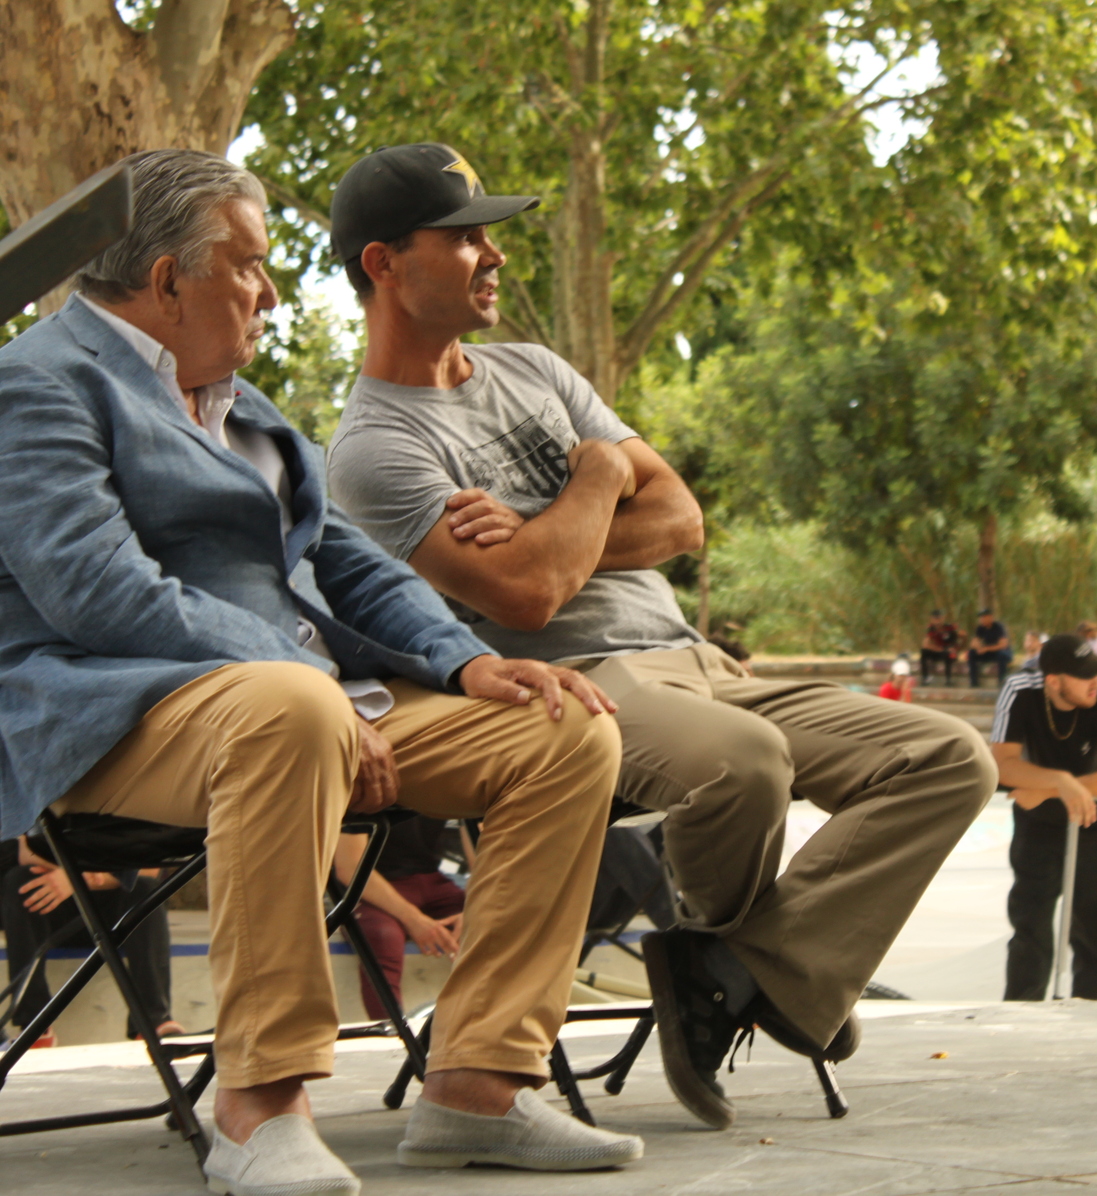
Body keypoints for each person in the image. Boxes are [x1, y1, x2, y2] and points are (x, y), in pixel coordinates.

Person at [0, 149, 642, 1195]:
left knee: (560, 728)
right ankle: (260, 1103)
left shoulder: (243, 403)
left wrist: (472, 659)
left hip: (296, 701)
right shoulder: (37, 383)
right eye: (250, 264)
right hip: (111, 710)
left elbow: (351, 561)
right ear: (169, 280)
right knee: (289, 705)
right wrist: (312, 684)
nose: (272, 289)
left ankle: (477, 1083)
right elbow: (94, 592)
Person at [322, 143, 997, 1132]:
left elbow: (682, 519)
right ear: (384, 264)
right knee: (743, 764)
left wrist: (549, 531)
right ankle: (767, 973)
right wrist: (592, 481)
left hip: (699, 660)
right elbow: (529, 598)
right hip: (574, 683)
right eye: (463, 237)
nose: (493, 255)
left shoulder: (535, 370)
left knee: (946, 756)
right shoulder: (376, 447)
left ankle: (743, 967)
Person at [990, 636, 1097, 1000]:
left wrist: (1050, 788)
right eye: (1083, 676)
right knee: (1030, 921)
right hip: (1038, 816)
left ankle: (1091, 1012)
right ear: (1053, 681)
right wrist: (1058, 781)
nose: (1095, 682)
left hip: (1096, 814)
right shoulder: (1020, 689)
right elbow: (1001, 764)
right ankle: (1022, 1011)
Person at [3, 840, 182, 1047]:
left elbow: (149, 869)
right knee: (21, 880)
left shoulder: (136, 808)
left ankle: (153, 1022)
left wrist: (74, 877)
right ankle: (35, 1025)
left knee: (145, 889)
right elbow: (28, 854)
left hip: (111, 913)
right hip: (54, 905)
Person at [333, 817, 470, 1021]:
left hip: (431, 878)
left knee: (494, 921)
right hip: (371, 886)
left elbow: (486, 857)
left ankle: (488, 1028)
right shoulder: (361, 786)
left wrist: (474, 909)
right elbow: (350, 867)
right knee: (383, 936)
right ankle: (393, 1034)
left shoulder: (459, 786)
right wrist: (414, 919)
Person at [967, 609, 1013, 687]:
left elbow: (1003, 645)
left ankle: (1002, 681)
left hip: (1002, 653)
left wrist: (987, 648)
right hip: (989, 653)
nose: (982, 619)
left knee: (1001, 655)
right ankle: (974, 682)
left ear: (990, 617)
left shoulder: (999, 627)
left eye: (984, 617)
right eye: (981, 618)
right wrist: (979, 648)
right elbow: (973, 643)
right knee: (971, 653)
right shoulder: (980, 628)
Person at [920, 611, 960, 686]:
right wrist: (940, 649)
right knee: (924, 652)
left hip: (950, 651)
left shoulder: (949, 627)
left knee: (949, 654)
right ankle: (925, 678)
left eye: (939, 619)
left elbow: (956, 641)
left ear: (943, 619)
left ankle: (949, 679)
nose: (937, 621)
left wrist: (952, 649)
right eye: (935, 619)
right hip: (940, 650)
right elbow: (925, 644)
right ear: (932, 620)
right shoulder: (931, 628)